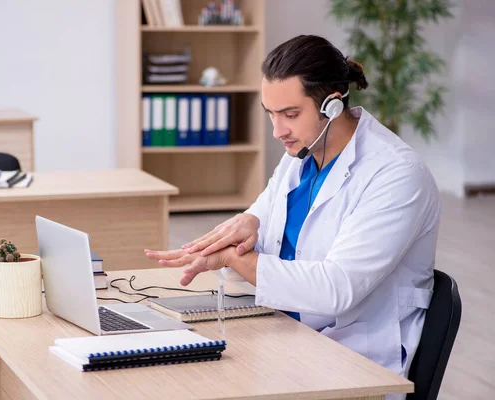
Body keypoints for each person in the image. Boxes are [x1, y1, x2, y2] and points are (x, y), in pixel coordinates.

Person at [144, 35, 441, 388]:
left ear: (332, 105)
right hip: (282, 335)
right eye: (271, 114)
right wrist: (246, 223)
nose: (277, 131)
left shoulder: (397, 175)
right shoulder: (299, 157)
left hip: (352, 363)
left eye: (290, 114)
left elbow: (336, 289)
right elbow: (262, 222)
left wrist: (237, 259)